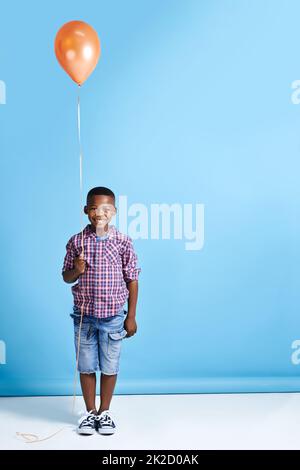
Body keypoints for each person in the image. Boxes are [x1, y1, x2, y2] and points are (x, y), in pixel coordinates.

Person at [62, 186, 141, 435]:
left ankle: (105, 412)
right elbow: (66, 277)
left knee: (109, 366)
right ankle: (89, 413)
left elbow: (132, 279)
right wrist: (77, 269)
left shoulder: (123, 242)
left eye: (106, 209)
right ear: (86, 210)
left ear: (114, 212)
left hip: (113, 316)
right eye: (94, 208)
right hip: (84, 317)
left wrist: (131, 316)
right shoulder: (77, 242)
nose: (100, 213)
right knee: (86, 366)